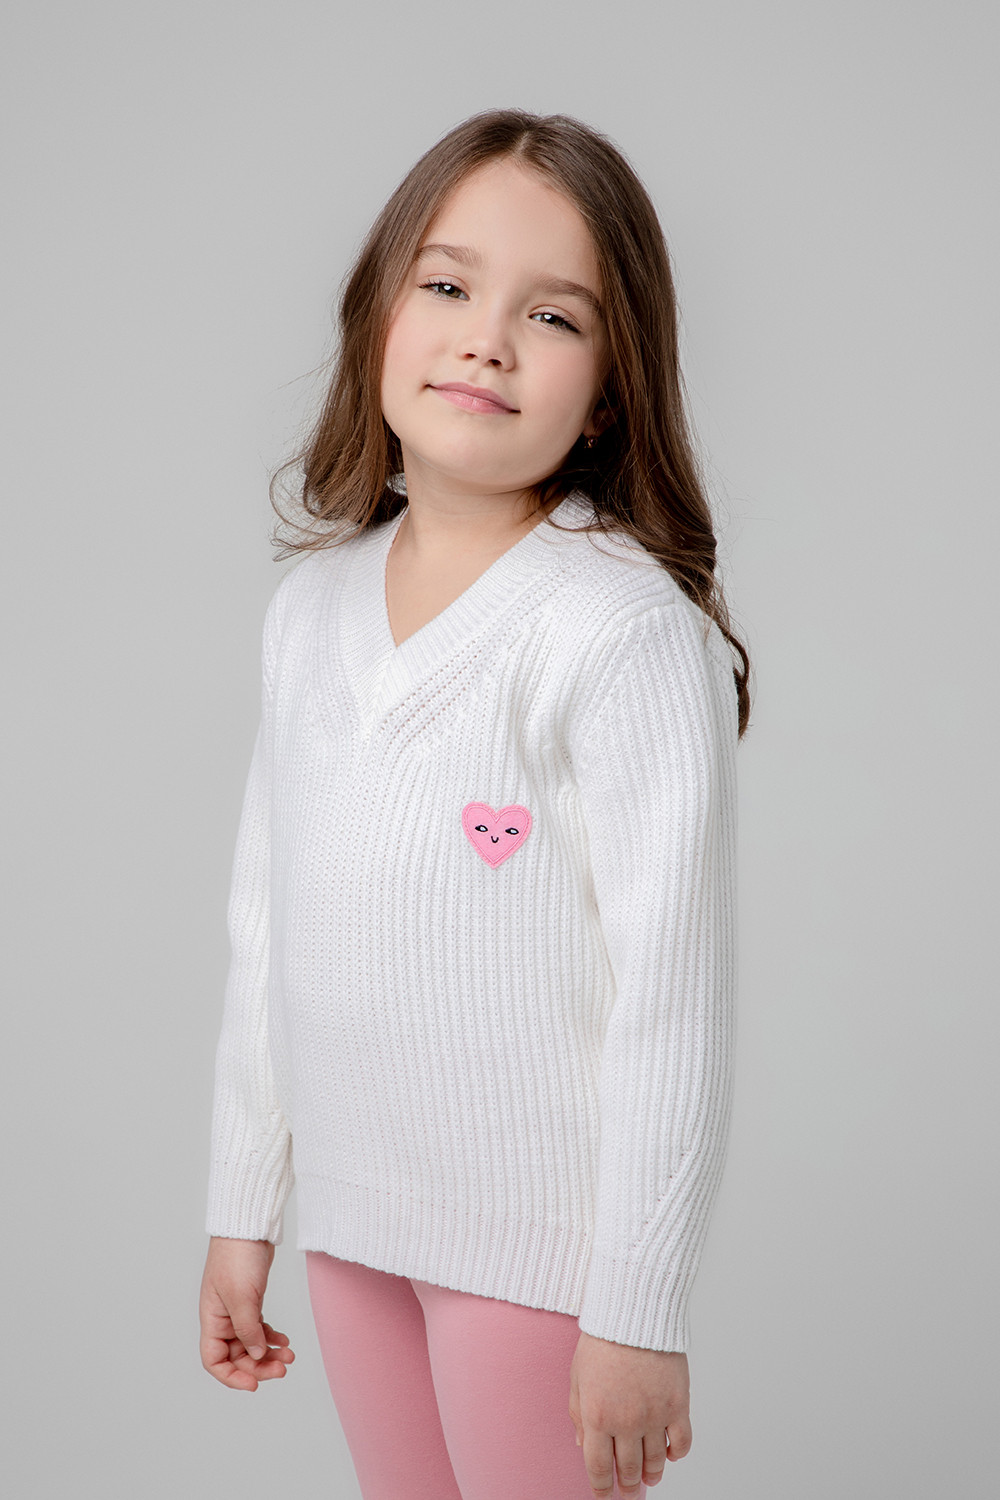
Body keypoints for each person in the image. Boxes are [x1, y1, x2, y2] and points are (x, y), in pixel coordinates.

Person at [199, 107, 750, 1500]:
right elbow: (269, 933)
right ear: (378, 318)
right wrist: (242, 1207)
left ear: (610, 391)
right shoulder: (309, 612)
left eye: (551, 316)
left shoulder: (619, 628)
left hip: (537, 1253)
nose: (486, 340)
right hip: (354, 1226)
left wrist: (637, 1309)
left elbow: (670, 997)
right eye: (446, 286)